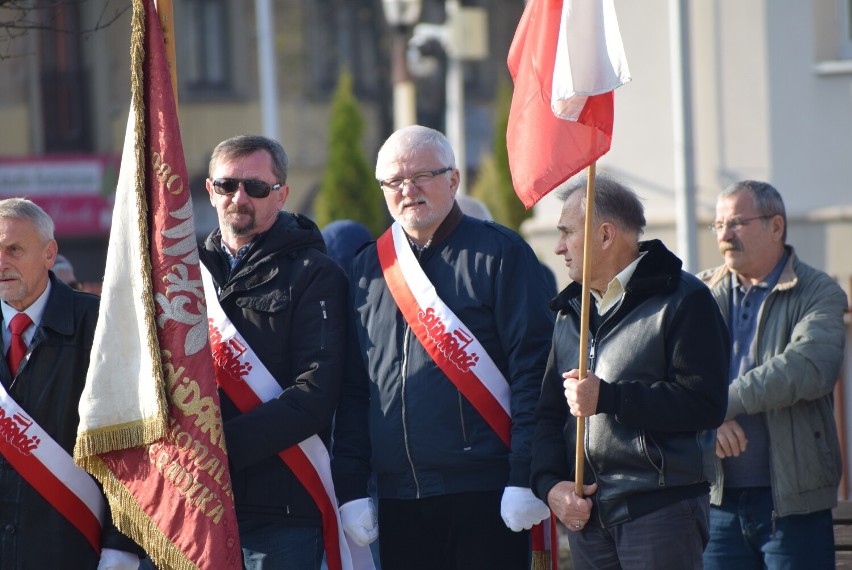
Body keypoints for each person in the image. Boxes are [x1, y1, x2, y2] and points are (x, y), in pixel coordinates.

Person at [331, 125, 554, 570]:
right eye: (394, 181)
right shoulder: (367, 269)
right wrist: (352, 486)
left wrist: (523, 476)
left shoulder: (501, 254)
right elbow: (356, 390)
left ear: (453, 180)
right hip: (396, 496)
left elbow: (535, 373)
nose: (407, 190)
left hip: (486, 491)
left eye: (422, 176)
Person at [531, 176, 730, 569]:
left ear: (605, 235)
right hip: (588, 516)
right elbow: (548, 414)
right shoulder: (571, 312)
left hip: (659, 511)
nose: (558, 247)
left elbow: (705, 404)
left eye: (566, 233)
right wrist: (549, 485)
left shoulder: (685, 300)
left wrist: (610, 398)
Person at [198, 135, 349, 569]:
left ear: (281, 194)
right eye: (227, 186)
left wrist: (218, 448)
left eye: (256, 187)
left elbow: (316, 393)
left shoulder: (315, 274)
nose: (239, 197)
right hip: (198, 502)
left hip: (281, 507)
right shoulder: (183, 274)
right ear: (210, 191)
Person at [698, 180, 847, 569]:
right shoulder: (697, 293)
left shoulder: (819, 292)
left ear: (776, 226)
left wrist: (717, 405)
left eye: (736, 223)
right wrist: (708, 421)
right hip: (716, 501)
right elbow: (668, 375)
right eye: (718, 225)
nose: (724, 235)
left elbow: (808, 367)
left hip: (793, 506)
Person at [0, 198, 141, 568]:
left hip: (73, 546)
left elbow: (131, 443)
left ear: (50, 254)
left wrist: (121, 546)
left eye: (14, 249)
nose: (1, 263)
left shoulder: (99, 324)